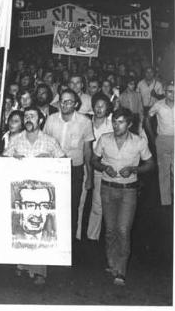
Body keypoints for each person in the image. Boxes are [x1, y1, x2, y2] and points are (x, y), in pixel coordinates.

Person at [91, 107, 155, 286]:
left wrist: (134, 169)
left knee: (123, 229)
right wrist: (104, 168)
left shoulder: (139, 141)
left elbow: (150, 164)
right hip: (107, 189)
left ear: (129, 124)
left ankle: (121, 270)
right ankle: (112, 263)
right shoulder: (104, 139)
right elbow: (93, 160)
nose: (116, 125)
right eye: (114, 121)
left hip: (128, 190)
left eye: (120, 122)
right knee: (110, 229)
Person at [3, 105, 65, 285]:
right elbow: (3, 159)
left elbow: (63, 163)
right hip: (22, 196)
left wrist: (51, 161)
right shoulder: (16, 140)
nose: (29, 119)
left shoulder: (50, 141)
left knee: (41, 229)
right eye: (26, 116)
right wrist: (12, 160)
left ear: (40, 120)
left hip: (42, 196)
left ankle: (39, 270)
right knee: (23, 226)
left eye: (33, 116)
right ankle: (22, 263)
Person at [44, 89, 94, 250]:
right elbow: (44, 145)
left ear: (76, 104)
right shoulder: (51, 120)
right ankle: (52, 244)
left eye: (69, 102)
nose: (65, 105)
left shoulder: (85, 122)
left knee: (71, 208)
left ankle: (68, 247)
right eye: (62, 101)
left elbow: (87, 151)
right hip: (53, 170)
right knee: (52, 207)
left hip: (75, 170)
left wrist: (90, 176)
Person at [77, 92, 113, 241]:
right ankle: (76, 234)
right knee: (80, 202)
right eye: (96, 106)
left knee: (98, 204)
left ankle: (92, 236)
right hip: (84, 166)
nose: (99, 109)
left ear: (107, 108)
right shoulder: (85, 123)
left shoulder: (111, 126)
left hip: (100, 167)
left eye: (102, 106)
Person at [146, 81, 174, 206]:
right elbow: (147, 119)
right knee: (164, 172)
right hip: (163, 140)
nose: (173, 94)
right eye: (170, 91)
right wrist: (153, 137)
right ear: (165, 92)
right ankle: (166, 202)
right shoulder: (158, 105)